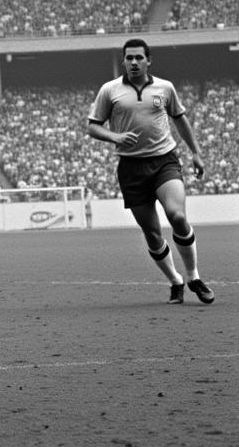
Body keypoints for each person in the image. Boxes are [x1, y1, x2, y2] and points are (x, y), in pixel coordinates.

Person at [86, 38, 214, 305]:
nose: (133, 62)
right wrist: (116, 137)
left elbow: (180, 118)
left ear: (148, 60)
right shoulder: (109, 90)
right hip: (131, 168)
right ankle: (175, 282)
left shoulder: (165, 88)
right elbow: (93, 127)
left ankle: (194, 277)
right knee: (152, 233)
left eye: (138, 58)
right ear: (123, 61)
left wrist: (196, 153)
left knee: (177, 216)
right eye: (129, 58)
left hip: (164, 161)